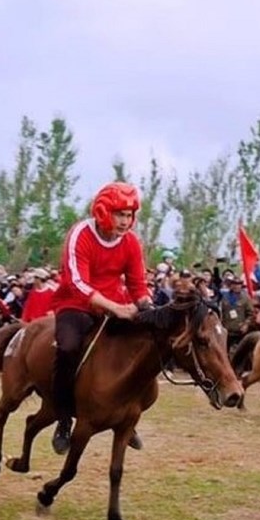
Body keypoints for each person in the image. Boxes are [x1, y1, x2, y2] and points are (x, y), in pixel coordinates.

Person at [49, 181, 152, 456]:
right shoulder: (80, 234)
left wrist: (147, 307)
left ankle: (128, 415)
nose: (125, 221)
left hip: (113, 305)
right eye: (120, 214)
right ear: (104, 211)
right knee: (68, 347)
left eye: (129, 215)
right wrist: (115, 308)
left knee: (138, 350)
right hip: (75, 305)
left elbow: (138, 285)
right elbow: (77, 283)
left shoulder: (131, 243)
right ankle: (62, 418)